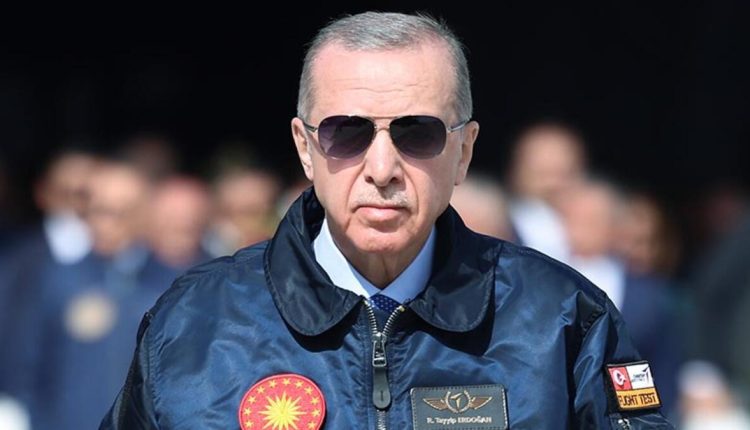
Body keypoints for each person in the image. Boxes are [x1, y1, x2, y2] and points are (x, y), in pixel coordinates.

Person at [101, 12, 673, 429]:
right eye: (346, 132)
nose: (381, 169)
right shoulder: (194, 322)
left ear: (464, 152)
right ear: (305, 148)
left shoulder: (564, 320)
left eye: (416, 132)